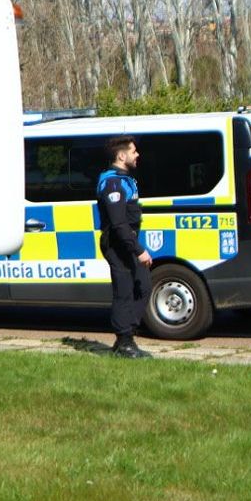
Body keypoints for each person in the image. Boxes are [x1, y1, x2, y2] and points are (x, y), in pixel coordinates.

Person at [97, 135, 153, 358]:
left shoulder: (125, 179)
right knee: (124, 291)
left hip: (127, 240)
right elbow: (119, 223)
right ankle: (125, 341)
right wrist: (138, 250)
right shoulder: (113, 183)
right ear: (121, 156)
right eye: (133, 151)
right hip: (118, 243)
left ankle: (126, 336)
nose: (137, 154)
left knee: (143, 285)